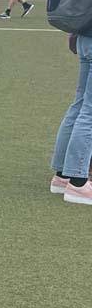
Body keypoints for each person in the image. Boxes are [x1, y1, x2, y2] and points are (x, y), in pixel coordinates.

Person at [50, 24, 92, 204]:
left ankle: (63, 176)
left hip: (85, 37)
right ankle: (78, 183)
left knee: (79, 106)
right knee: (88, 112)